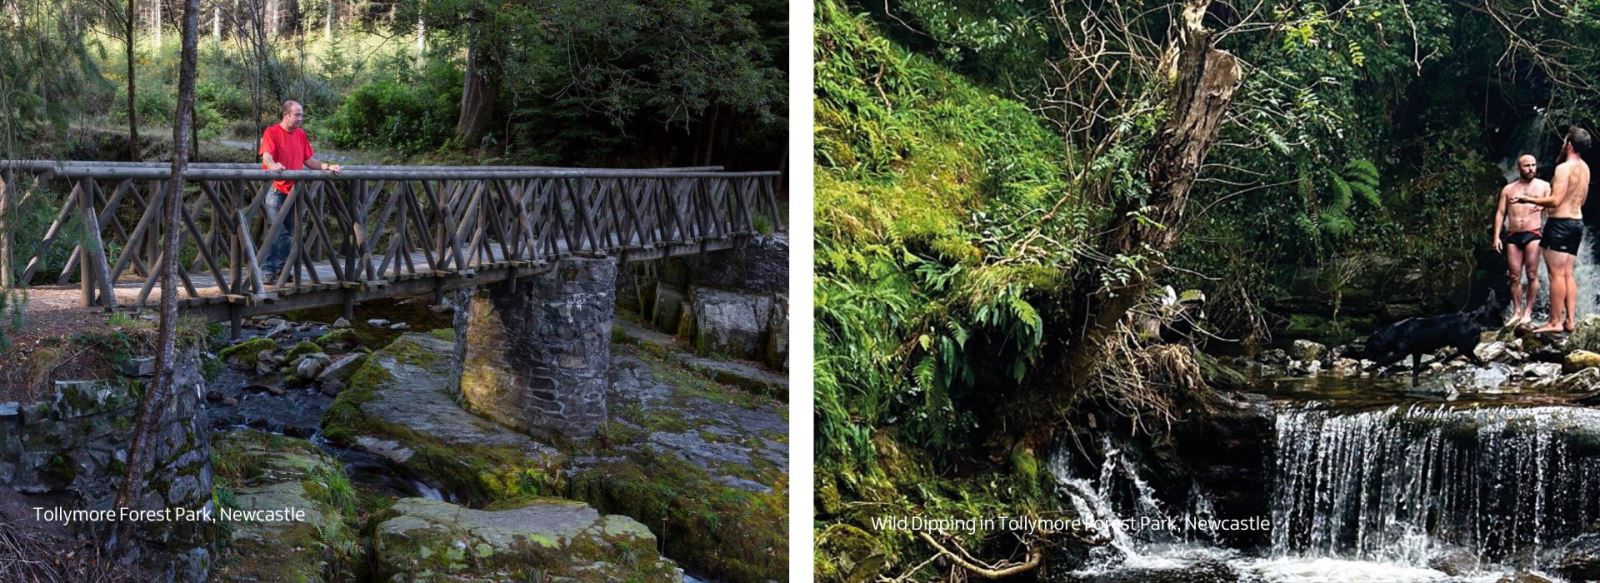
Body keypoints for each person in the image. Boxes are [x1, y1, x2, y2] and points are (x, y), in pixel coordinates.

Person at [1513, 127, 1592, 333]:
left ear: (1570, 145)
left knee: (1555, 274)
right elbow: (1581, 199)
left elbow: (1556, 200)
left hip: (1559, 225)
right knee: (1568, 274)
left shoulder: (1563, 168)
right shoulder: (1585, 168)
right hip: (1576, 222)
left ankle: (1555, 322)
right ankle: (1570, 321)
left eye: (1565, 140)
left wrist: (1528, 198)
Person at [259, 100, 341, 282]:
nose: (300, 118)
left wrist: (328, 166)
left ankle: (282, 269)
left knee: (288, 231)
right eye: (297, 114)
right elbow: (267, 156)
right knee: (275, 228)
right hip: (276, 188)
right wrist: (273, 166)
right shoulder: (272, 132)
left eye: (301, 115)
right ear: (286, 114)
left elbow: (309, 161)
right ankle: (267, 270)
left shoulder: (300, 135)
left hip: (294, 190)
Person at [1494, 154, 1549, 325]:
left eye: (1533, 165)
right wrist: (1496, 236)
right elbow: (1500, 213)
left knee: (1532, 274)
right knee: (1514, 276)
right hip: (1513, 235)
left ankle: (1528, 311)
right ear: (1519, 168)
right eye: (1527, 166)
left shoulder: (1544, 186)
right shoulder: (1508, 189)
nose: (1531, 168)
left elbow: (1552, 209)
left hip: (1534, 233)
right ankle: (1517, 310)